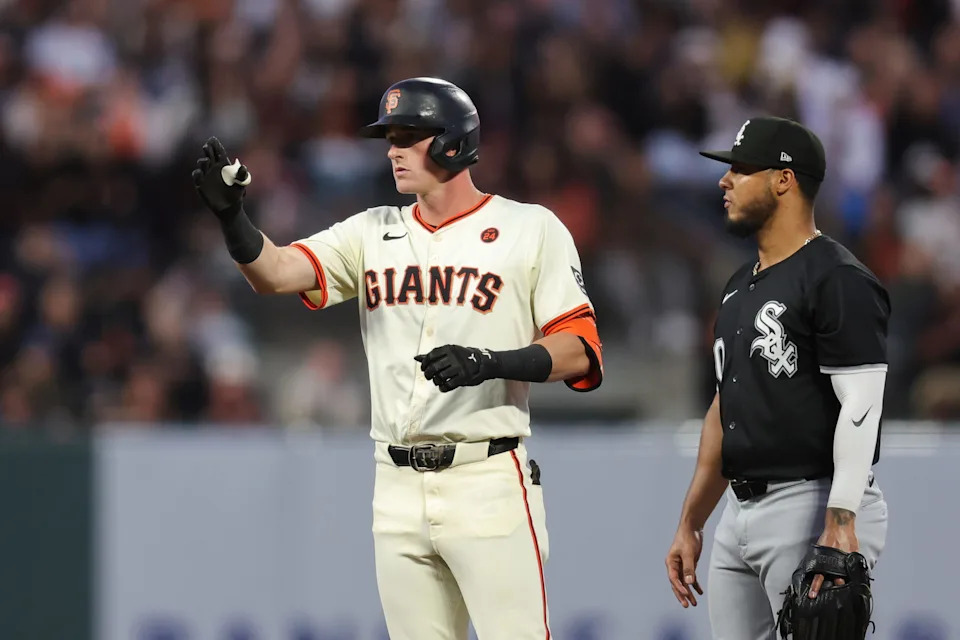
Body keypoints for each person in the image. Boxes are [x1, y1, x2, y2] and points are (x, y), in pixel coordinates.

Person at [192, 76, 603, 640]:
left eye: (409, 136)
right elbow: (278, 273)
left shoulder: (528, 228)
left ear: (453, 142)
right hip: (396, 485)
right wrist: (233, 220)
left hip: (486, 477)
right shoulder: (372, 230)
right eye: (390, 137)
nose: (393, 150)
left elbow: (580, 350)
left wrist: (490, 361)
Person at [664, 116, 890, 639]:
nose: (725, 181)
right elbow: (725, 409)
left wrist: (840, 519)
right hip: (739, 511)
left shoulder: (837, 277)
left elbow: (862, 403)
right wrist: (692, 521)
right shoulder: (738, 286)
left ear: (784, 180)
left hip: (810, 501)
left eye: (740, 169)